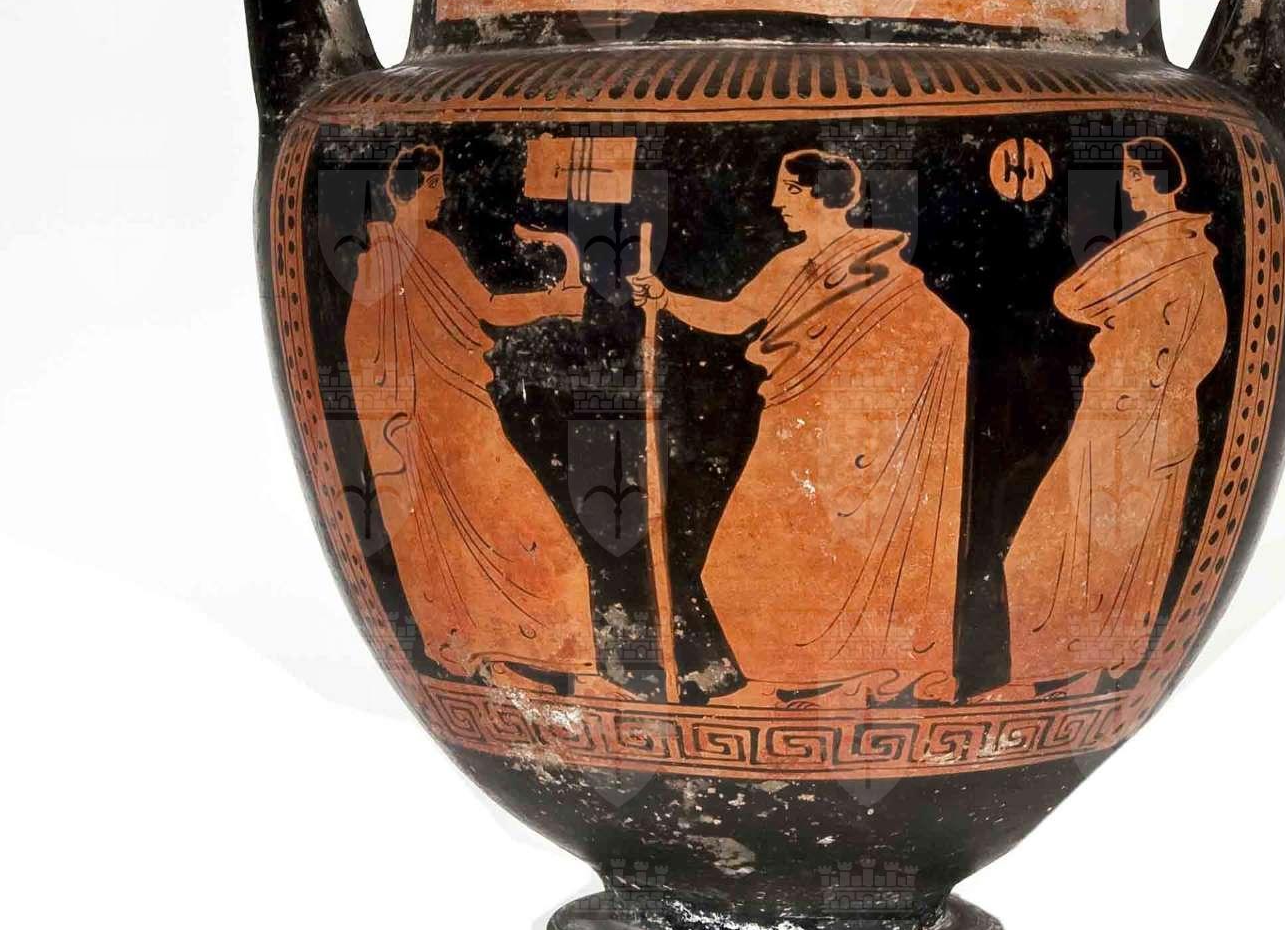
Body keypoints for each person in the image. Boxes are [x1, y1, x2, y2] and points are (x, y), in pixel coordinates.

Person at [630, 150, 968, 703]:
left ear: (821, 195)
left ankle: (836, 678)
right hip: (792, 423)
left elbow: (944, 331)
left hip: (847, 443)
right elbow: (736, 316)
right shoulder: (791, 264)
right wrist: (667, 300)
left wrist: (878, 419)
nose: (775, 202)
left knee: (833, 559)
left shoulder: (875, 266)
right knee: (741, 561)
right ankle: (780, 678)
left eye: (788, 189)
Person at [343, 145, 602, 689]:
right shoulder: (412, 253)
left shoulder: (406, 253)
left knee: (497, 533)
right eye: (435, 185)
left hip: (447, 416)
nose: (442, 196)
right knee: (502, 531)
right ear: (411, 191)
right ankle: (499, 661)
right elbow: (485, 309)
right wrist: (555, 301)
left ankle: (551, 665)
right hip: (441, 423)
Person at [994, 136, 1227, 701]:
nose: (1127, 184)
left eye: (1134, 175)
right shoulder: (1160, 248)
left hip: (1137, 420)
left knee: (1101, 552)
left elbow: (1078, 297)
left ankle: (1075, 678)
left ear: (1158, 179)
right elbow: (1072, 299)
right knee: (1052, 551)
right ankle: (1056, 676)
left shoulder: (1174, 253)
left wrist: (1152, 380)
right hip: (1119, 411)